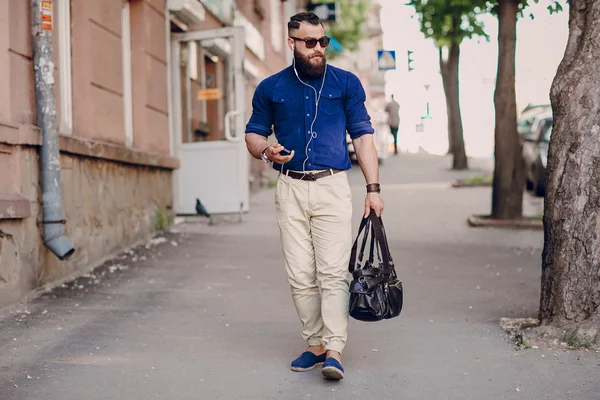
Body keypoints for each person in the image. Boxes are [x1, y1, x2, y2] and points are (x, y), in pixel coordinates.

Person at [244, 12, 384, 381]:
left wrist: (373, 189)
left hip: (332, 186)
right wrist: (265, 151)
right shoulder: (270, 88)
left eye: (323, 41)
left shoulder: (346, 84)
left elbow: (363, 136)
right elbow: (254, 133)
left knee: (334, 273)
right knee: (300, 274)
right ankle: (315, 344)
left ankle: (334, 348)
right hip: (289, 186)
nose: (318, 48)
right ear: (292, 43)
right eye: (310, 42)